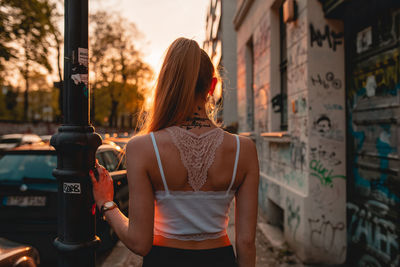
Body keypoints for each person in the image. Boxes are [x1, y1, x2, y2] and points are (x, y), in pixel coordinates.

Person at [90, 37, 259, 267]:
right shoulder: (244, 149)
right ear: (212, 86)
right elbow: (247, 243)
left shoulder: (142, 148)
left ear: (167, 84)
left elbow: (140, 243)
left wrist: (106, 203)